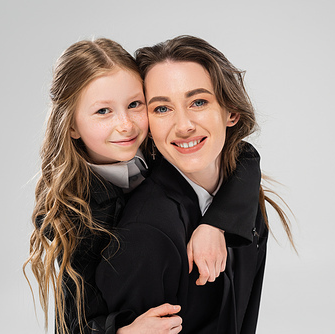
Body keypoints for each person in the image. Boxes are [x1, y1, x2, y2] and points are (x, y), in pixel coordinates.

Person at [24, 38, 263, 334]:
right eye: (103, 112)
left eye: (135, 105)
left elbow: (246, 155)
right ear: (71, 126)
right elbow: (73, 318)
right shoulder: (80, 215)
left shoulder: (156, 153)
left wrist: (215, 223)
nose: (125, 124)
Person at [96, 35, 295, 334]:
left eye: (198, 102)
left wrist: (216, 223)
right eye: (162, 108)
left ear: (231, 112)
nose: (184, 125)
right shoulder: (146, 234)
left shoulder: (241, 198)